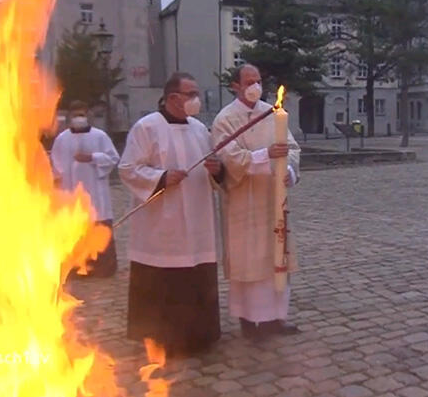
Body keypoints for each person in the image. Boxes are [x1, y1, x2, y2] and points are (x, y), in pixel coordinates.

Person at [118, 72, 224, 355]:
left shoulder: (199, 129)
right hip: (162, 220)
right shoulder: (147, 128)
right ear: (172, 98)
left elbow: (214, 167)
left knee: (195, 273)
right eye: (191, 94)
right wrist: (162, 177)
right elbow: (128, 169)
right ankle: (161, 337)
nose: (196, 99)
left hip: (199, 217)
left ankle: (199, 336)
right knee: (165, 277)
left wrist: (218, 170)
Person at [212, 64, 301, 339]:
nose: (255, 86)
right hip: (243, 202)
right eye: (249, 81)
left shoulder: (272, 112)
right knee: (249, 261)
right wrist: (265, 155)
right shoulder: (225, 119)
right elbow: (228, 156)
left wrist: (288, 170)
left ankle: (275, 318)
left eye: (258, 81)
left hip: (273, 200)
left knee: (275, 258)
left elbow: (292, 148)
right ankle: (249, 321)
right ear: (235, 86)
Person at [50, 100, 120, 277]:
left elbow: (112, 158)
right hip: (71, 191)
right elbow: (56, 164)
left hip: (95, 191)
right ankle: (76, 268)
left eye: (81, 115)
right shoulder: (62, 139)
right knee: (74, 230)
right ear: (69, 117)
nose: (78, 118)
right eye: (75, 115)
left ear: (88, 115)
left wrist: (93, 157)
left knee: (99, 226)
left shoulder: (100, 136)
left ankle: (103, 268)